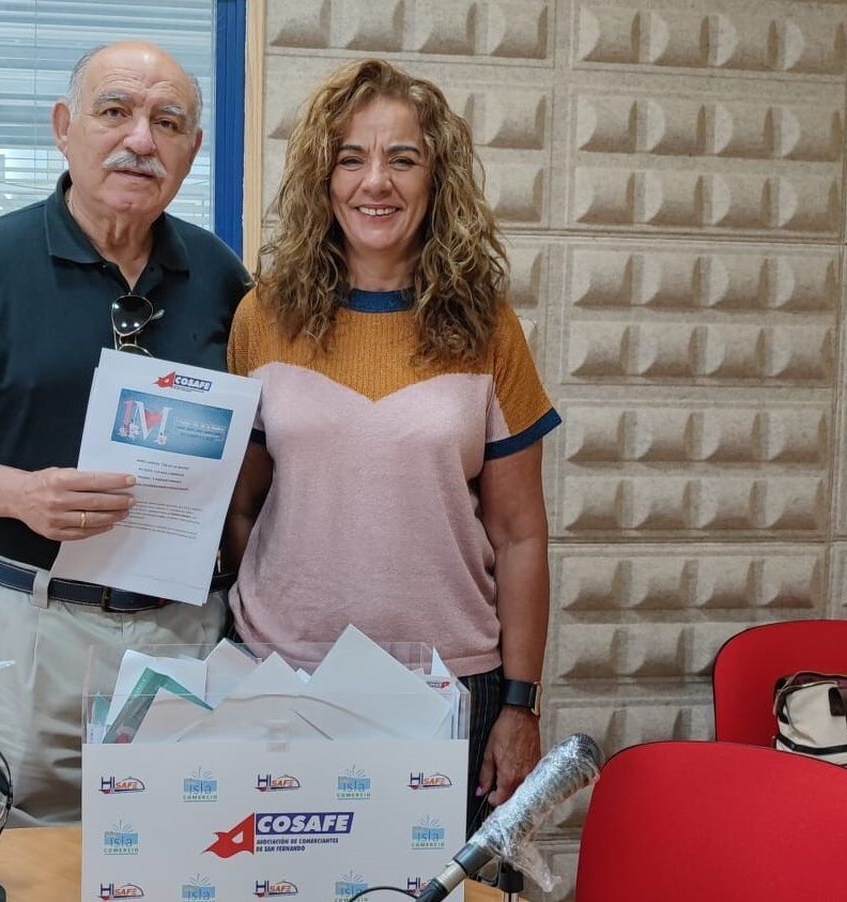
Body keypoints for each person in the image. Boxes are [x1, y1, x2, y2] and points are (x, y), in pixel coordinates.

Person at [0, 41, 250, 826]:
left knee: (178, 855)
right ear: (63, 127)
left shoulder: (221, 277)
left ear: (192, 150)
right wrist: (21, 494)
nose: (140, 139)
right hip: (26, 632)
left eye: (167, 122)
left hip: (182, 637)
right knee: (2, 861)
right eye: (115, 111)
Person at [224, 59, 558, 832]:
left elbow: (520, 534)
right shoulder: (263, 317)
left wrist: (520, 702)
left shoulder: (488, 327)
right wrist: (270, 630)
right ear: (323, 178)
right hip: (281, 680)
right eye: (352, 158)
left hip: (447, 688)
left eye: (402, 158)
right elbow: (242, 508)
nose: (376, 181)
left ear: (436, 178)